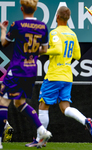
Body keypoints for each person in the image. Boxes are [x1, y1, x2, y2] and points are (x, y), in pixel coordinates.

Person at [25, 6, 92, 147]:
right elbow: (77, 55)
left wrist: (38, 51)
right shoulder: (72, 34)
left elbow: (57, 49)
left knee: (43, 106)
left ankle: (40, 139)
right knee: (65, 108)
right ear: (68, 18)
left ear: (57, 17)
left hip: (54, 75)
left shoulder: (55, 33)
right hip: (67, 77)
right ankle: (86, 120)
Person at [0, 0, 52, 148]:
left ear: (22, 8)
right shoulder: (43, 26)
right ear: (35, 9)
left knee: (3, 102)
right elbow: (44, 49)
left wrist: (3, 30)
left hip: (17, 68)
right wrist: (32, 53)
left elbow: (4, 43)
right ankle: (42, 130)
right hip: (31, 70)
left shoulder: (17, 25)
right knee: (19, 103)